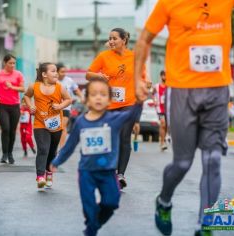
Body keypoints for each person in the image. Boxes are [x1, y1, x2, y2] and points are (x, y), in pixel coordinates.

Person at [135, 1, 234, 235]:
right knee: (183, 163)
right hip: (182, 90)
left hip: (217, 90)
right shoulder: (168, 3)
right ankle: (164, 201)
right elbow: (145, 38)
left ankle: (205, 224)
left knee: (213, 159)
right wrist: (137, 78)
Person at [50, 78, 142, 236]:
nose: (98, 97)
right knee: (89, 208)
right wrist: (57, 161)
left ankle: (94, 223)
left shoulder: (114, 119)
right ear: (86, 99)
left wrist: (140, 100)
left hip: (108, 172)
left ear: (110, 100)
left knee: (112, 202)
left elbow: (131, 114)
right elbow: (69, 146)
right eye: (93, 94)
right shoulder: (80, 122)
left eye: (103, 94)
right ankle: (91, 228)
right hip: (87, 173)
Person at [86, 27, 139, 189]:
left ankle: (120, 174)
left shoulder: (134, 57)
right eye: (110, 38)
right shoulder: (103, 56)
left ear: (124, 40)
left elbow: (142, 75)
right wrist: (98, 76)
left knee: (124, 137)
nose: (111, 41)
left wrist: (146, 83)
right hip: (108, 103)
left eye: (115, 38)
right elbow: (88, 73)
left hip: (129, 103)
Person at [24, 63, 72, 189]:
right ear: (44, 74)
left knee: (52, 151)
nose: (56, 73)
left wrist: (60, 106)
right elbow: (27, 96)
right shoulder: (34, 86)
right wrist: (31, 106)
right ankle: (40, 176)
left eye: (56, 71)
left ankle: (49, 172)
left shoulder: (59, 87)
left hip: (56, 125)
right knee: (43, 149)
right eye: (53, 71)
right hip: (40, 124)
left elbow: (69, 99)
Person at [0, 54, 25, 164]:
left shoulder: (18, 74)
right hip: (2, 105)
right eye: (10, 63)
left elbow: (23, 89)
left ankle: (10, 153)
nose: (12, 65)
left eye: (14, 63)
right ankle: (4, 154)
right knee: (5, 128)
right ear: (5, 63)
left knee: (12, 131)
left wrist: (12, 87)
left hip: (15, 106)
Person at [56, 63, 84, 148]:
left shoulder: (69, 80)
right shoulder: (53, 80)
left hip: (66, 107)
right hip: (55, 108)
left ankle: (62, 148)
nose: (64, 74)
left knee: (62, 127)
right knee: (55, 128)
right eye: (62, 72)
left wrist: (82, 97)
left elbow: (77, 90)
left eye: (65, 72)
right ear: (57, 72)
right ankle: (54, 147)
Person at [153, 70, 167, 150]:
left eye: (166, 75)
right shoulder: (156, 86)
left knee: (166, 126)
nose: (165, 77)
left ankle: (163, 140)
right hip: (160, 108)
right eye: (164, 75)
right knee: (163, 123)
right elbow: (152, 93)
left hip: (167, 108)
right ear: (161, 76)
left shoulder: (169, 86)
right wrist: (154, 100)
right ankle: (162, 143)